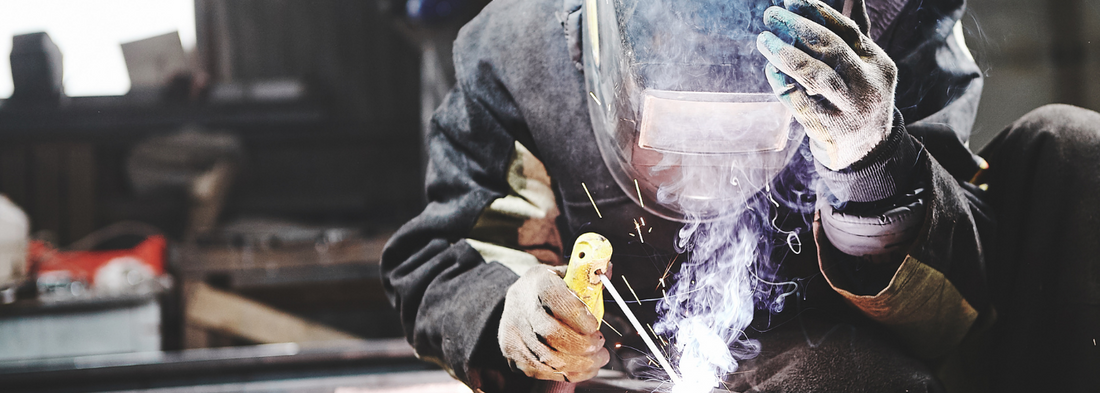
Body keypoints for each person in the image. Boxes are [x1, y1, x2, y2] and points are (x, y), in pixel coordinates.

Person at [380, 0, 1100, 391]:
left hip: (857, 334)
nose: (710, 187)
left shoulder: (896, 24)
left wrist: (871, 162)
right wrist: (507, 305)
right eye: (678, 141)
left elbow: (960, 302)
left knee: (1074, 149)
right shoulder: (521, 50)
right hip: (626, 368)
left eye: (744, 140)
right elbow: (437, 252)